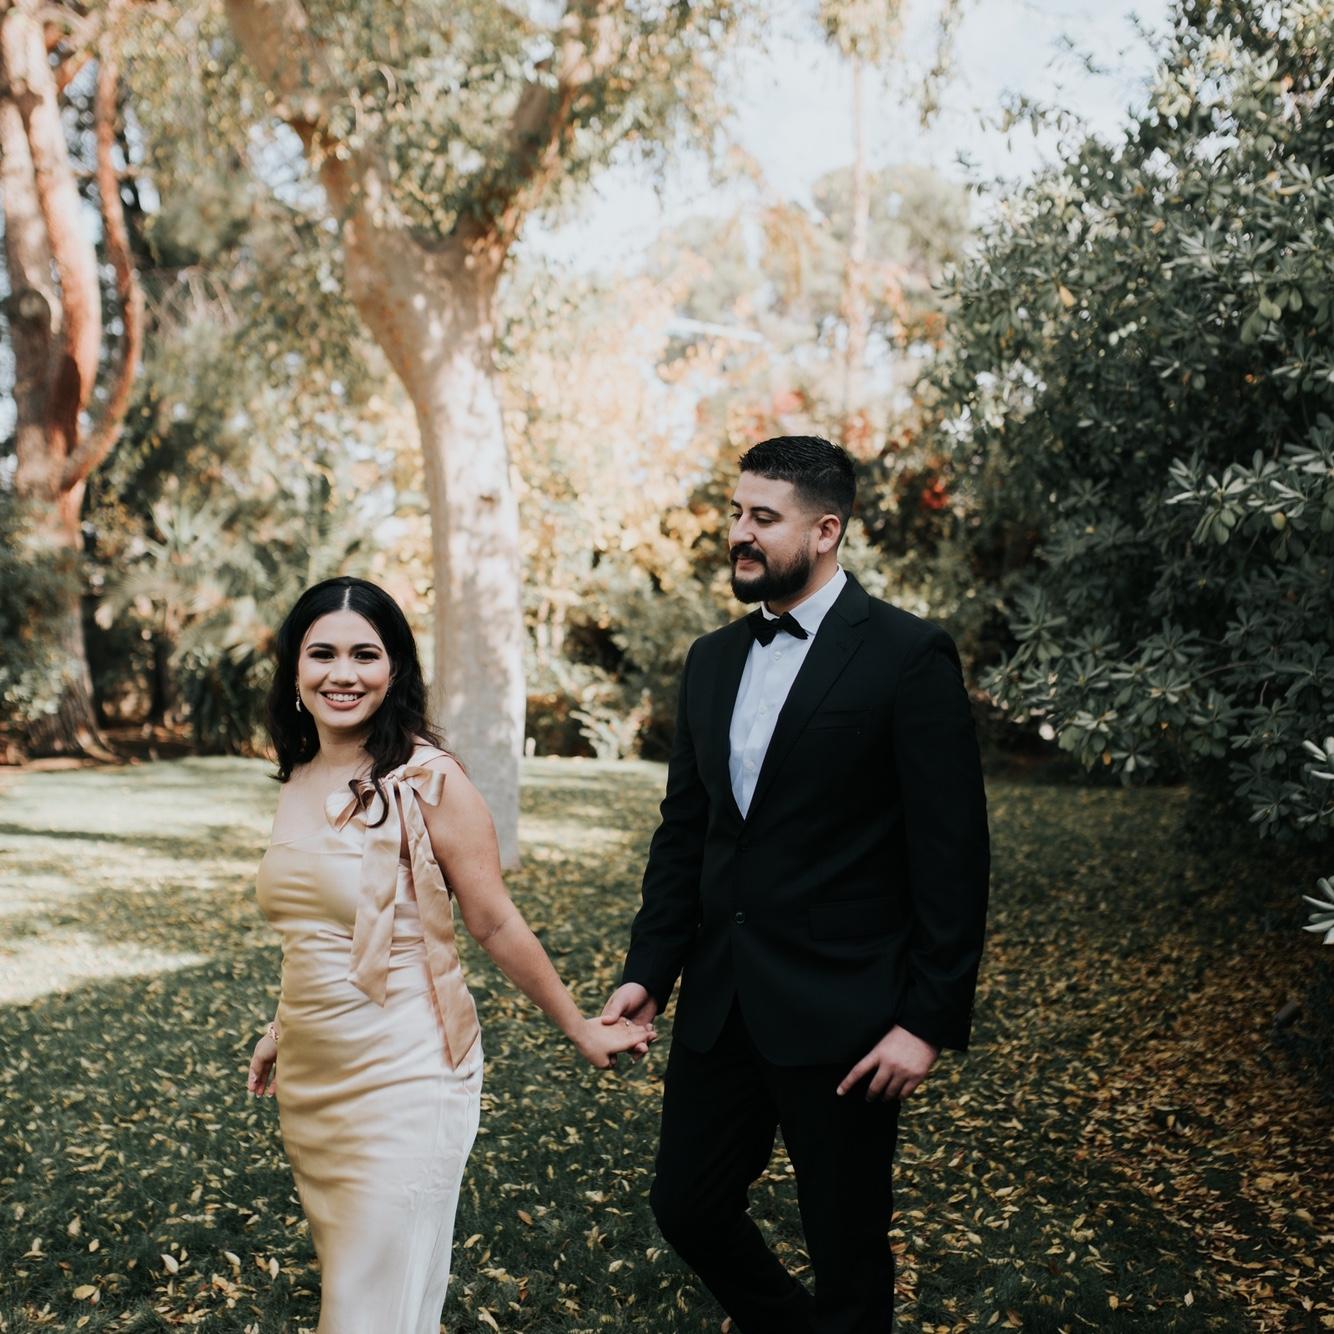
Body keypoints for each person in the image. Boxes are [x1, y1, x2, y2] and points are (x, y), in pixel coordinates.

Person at [601, 435, 990, 1332]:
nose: (740, 533)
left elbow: (953, 855)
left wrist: (926, 1022)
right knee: (687, 1204)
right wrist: (650, 971)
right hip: (722, 1000)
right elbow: (687, 834)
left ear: (825, 531)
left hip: (846, 1012)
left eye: (763, 518)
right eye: (736, 513)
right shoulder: (711, 660)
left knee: (848, 1248)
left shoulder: (907, 655)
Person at [246, 576, 651, 1334]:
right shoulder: (299, 775)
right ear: (294, 668)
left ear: (395, 668)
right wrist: (282, 1029)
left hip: (406, 1071)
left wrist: (578, 1026)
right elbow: (318, 933)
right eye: (322, 654)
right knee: (366, 1295)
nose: (342, 674)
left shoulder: (429, 779)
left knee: (368, 1307)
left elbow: (493, 922)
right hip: (313, 1080)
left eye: (365, 654)